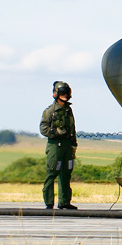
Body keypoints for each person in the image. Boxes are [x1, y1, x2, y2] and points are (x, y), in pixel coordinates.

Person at [40, 81, 78, 210]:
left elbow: (73, 128)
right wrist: (55, 132)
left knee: (66, 173)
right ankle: (49, 203)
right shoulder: (50, 110)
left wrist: (73, 143)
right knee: (52, 172)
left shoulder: (68, 110)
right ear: (56, 94)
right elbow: (43, 128)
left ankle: (64, 202)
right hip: (55, 145)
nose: (65, 96)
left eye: (66, 93)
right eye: (62, 93)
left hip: (67, 145)